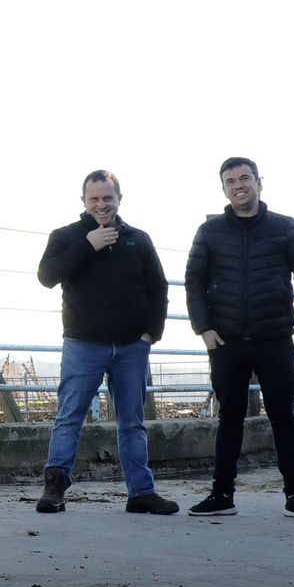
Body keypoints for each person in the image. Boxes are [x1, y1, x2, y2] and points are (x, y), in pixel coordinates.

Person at [183, 157, 294, 520]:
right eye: (230, 181)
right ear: (224, 188)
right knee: (229, 417)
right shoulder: (211, 231)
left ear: (259, 182)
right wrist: (204, 328)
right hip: (226, 341)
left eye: (244, 178)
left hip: (274, 337)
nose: (238, 185)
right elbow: (194, 281)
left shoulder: (284, 227)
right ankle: (222, 494)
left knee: (283, 417)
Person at [34, 170, 177, 515]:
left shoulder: (138, 239)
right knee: (70, 417)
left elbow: (158, 287)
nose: (101, 204)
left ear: (119, 199)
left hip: (131, 346)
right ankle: (54, 489)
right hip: (84, 344)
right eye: (94, 198)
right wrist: (87, 246)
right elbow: (46, 276)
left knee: (133, 421)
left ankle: (141, 493)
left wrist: (151, 333)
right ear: (83, 201)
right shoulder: (67, 236)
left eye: (107, 198)